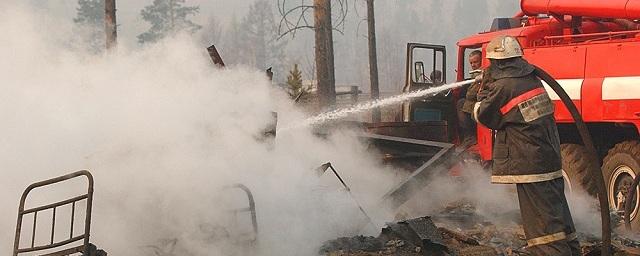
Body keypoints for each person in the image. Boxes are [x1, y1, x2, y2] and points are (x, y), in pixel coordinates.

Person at [472, 35, 579, 255]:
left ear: (498, 62)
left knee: (542, 228)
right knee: (557, 218)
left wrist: (479, 94)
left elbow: (485, 116)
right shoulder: (530, 78)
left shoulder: (505, 85)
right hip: (546, 158)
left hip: (528, 162)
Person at [457, 50, 483, 145]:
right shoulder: (476, 74)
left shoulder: (482, 74)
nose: (473, 65)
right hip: (478, 102)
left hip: (479, 103)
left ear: (482, 60)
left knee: (461, 104)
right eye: (471, 63)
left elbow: (471, 94)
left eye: (475, 62)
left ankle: (470, 137)